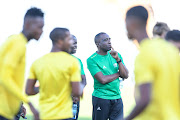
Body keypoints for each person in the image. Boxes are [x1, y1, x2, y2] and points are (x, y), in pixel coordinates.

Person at [125, 6, 180, 120]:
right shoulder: (170, 50)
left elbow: (144, 99)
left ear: (132, 23)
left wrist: (127, 118)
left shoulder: (144, 54)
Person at [26, 28, 84, 120]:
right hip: (64, 115)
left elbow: (29, 91)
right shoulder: (72, 62)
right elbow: (77, 91)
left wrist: (45, 87)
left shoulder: (38, 62)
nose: (71, 43)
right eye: (69, 39)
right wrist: (81, 86)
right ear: (60, 41)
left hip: (44, 115)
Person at [0, 7, 44, 120]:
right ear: (28, 24)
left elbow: (11, 78)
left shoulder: (13, 40)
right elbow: (4, 76)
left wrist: (19, 103)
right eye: (40, 27)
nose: (42, 31)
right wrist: (28, 102)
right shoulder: (18, 44)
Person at [87, 32, 129, 120]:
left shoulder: (116, 55)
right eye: (105, 40)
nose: (109, 42)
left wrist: (118, 60)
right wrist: (118, 74)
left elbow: (125, 75)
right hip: (101, 98)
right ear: (97, 44)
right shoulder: (92, 59)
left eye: (109, 39)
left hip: (117, 98)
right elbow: (102, 79)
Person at [70, 35, 87, 120]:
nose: (76, 45)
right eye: (74, 43)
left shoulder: (78, 61)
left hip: (74, 99)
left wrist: (78, 92)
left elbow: (84, 80)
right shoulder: (54, 59)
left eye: (76, 43)